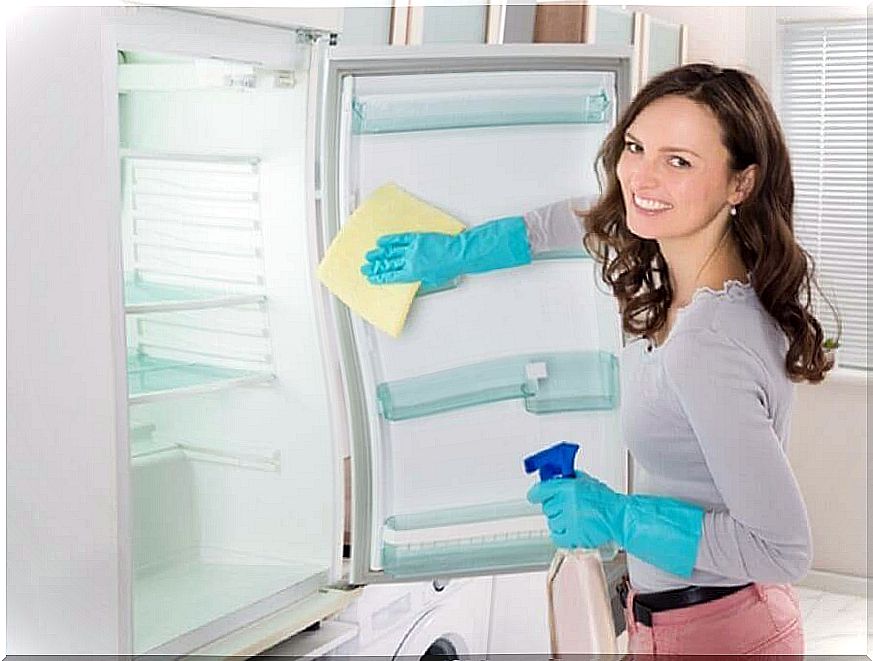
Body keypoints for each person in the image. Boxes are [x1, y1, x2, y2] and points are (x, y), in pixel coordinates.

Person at [361, 63, 835, 654]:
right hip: (703, 619)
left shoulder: (707, 343)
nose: (641, 176)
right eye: (636, 147)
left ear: (741, 184)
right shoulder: (696, 271)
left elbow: (782, 548)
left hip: (719, 635)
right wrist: (458, 252)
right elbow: (576, 218)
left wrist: (619, 517)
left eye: (679, 161)